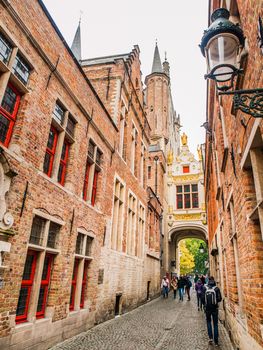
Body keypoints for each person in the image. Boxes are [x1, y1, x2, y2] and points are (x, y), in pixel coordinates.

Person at [202, 276, 222, 347]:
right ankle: (216, 341)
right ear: (214, 280)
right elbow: (220, 298)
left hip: (207, 308)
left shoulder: (205, 288)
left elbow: (202, 298)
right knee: (215, 324)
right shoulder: (216, 288)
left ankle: (210, 337)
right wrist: (215, 301)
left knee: (208, 322)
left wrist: (204, 305)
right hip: (215, 308)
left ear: (208, 280)